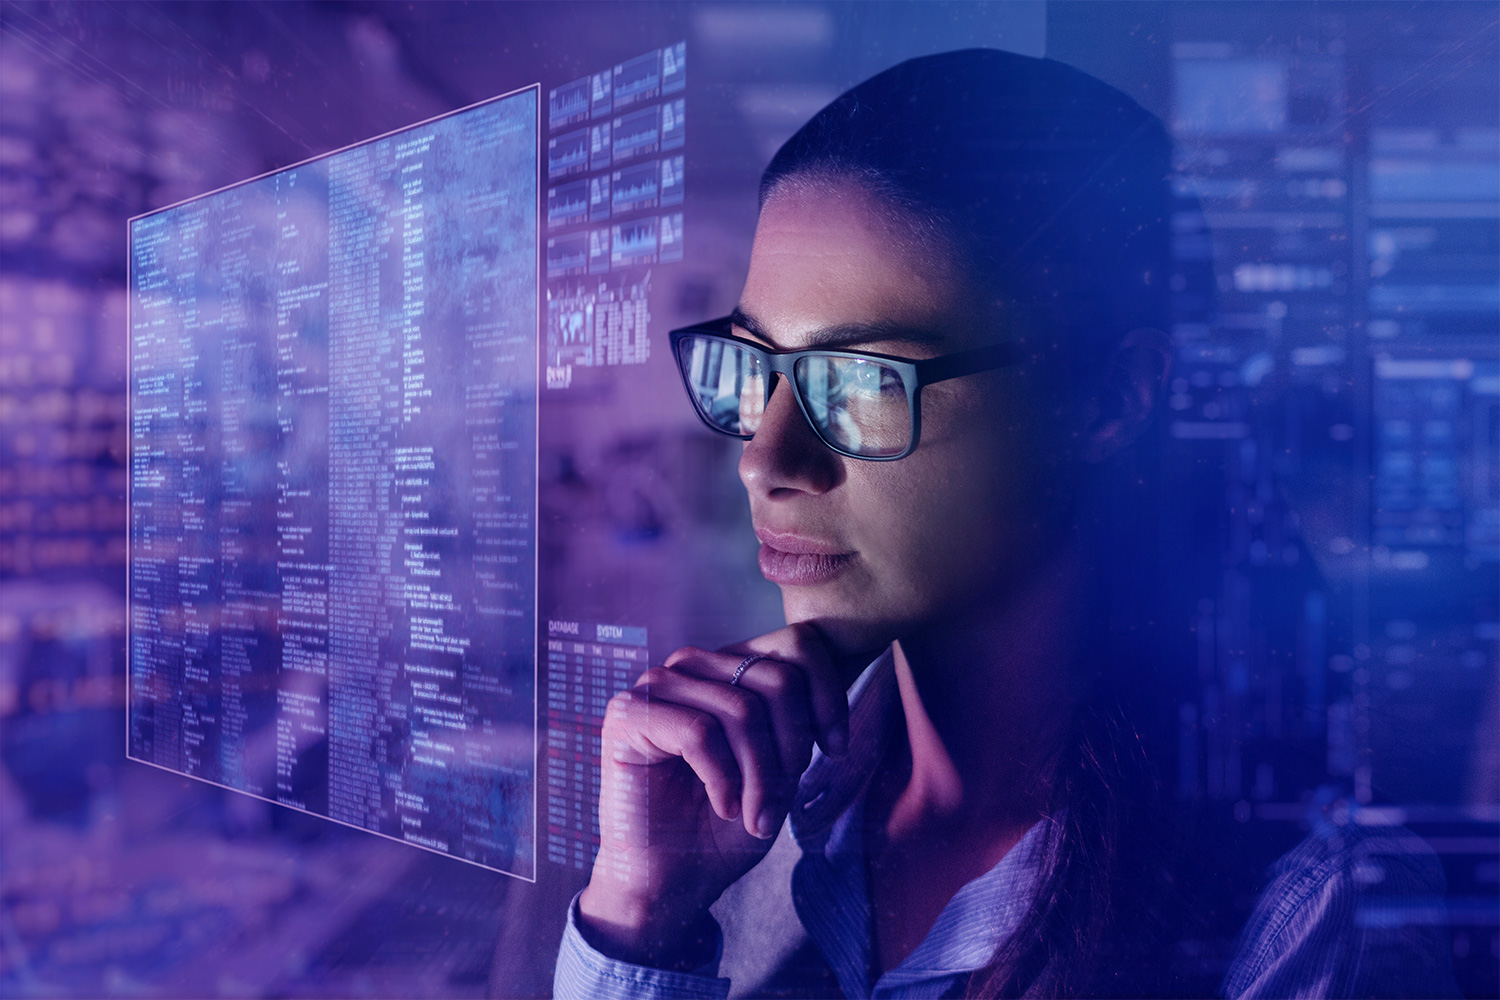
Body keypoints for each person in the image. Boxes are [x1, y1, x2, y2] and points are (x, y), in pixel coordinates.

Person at [551, 49, 1458, 999]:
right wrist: (640, 922)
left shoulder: (1312, 911)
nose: (764, 461)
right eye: (755, 369)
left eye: (860, 381)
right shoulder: (749, 817)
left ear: (1108, 398)